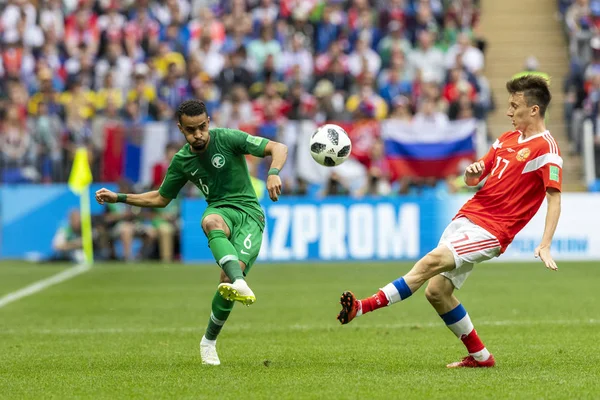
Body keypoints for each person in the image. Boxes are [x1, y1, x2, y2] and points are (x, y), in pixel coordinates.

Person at [336, 75, 562, 368]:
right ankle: (481, 357)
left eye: (514, 106)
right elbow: (477, 176)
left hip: (493, 230)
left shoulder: (547, 149)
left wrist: (545, 244)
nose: (508, 112)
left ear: (534, 110)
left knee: (430, 262)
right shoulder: (507, 138)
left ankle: (361, 307)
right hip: (468, 217)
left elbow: (554, 197)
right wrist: (471, 174)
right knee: (437, 293)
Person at [95, 100, 288, 366]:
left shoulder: (228, 138)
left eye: (202, 127)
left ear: (209, 122)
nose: (197, 134)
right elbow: (161, 198)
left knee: (226, 280)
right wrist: (119, 197)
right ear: (180, 129)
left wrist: (274, 173)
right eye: (190, 130)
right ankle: (238, 282)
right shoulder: (182, 160)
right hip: (220, 210)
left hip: (250, 216)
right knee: (211, 222)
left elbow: (278, 147)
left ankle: (209, 339)